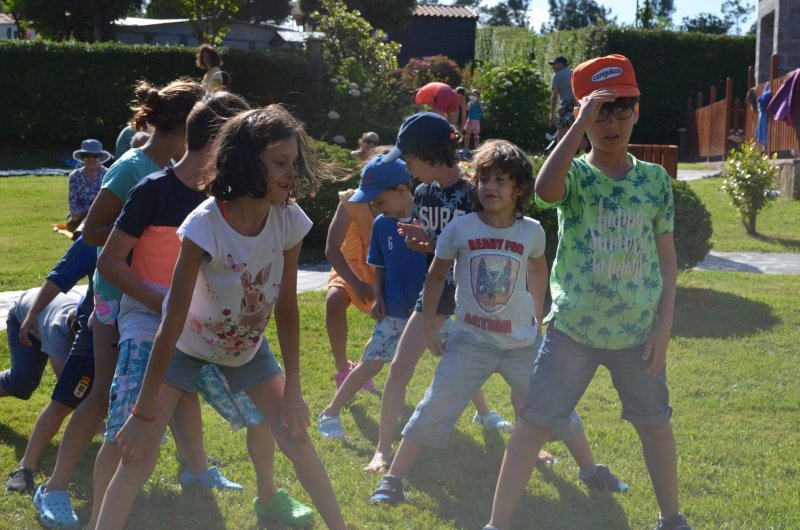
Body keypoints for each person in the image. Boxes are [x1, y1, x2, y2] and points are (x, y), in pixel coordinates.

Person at [95, 105, 347, 530]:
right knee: (138, 455)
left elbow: (286, 306)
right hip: (185, 345)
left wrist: (294, 389)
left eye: (293, 162)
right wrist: (143, 412)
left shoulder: (288, 220)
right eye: (280, 163)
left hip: (246, 349)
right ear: (246, 163)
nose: (291, 173)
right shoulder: (203, 225)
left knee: (297, 439)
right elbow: (172, 318)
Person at [485, 54, 691, 530]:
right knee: (533, 425)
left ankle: (671, 518)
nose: (611, 122)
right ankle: (496, 524)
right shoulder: (575, 175)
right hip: (572, 333)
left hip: (638, 335)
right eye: (600, 111)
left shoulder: (654, 180)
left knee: (655, 424)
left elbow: (667, 258)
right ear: (582, 116)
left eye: (621, 109)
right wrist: (578, 124)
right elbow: (545, 190)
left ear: (637, 111)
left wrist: (664, 325)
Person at [370, 139, 626, 505]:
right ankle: (393, 479)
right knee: (433, 406)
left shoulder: (531, 231)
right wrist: (427, 326)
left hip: (521, 344)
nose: (490, 187)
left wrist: (537, 314)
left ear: (519, 188)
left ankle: (591, 470)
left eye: (501, 180)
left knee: (556, 404)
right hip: (470, 343)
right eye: (485, 179)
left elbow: (537, 268)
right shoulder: (460, 229)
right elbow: (437, 275)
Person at [34, 79, 204, 530]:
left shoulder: (173, 169)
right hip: (115, 298)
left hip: (150, 299)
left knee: (174, 389)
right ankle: (54, 489)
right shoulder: (132, 167)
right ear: (184, 128)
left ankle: (197, 470)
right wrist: (142, 228)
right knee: (102, 395)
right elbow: (90, 232)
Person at [364, 112, 516, 475]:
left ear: (430, 154)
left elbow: (489, 248)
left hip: (476, 296)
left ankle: (531, 445)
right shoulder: (422, 193)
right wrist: (424, 243)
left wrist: (434, 244)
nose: (407, 168)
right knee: (399, 368)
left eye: (410, 159)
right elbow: (436, 249)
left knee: (516, 371)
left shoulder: (475, 194)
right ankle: (382, 450)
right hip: (435, 292)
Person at [318, 155, 426, 439]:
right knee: (373, 359)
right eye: (373, 202)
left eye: (379, 201)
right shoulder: (380, 222)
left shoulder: (426, 215)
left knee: (455, 353)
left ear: (401, 190)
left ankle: (485, 412)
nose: (375, 208)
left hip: (425, 307)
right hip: (379, 292)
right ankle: (332, 406)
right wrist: (375, 293)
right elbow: (374, 264)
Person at [5, 237, 96, 495]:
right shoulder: (59, 330)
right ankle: (25, 467)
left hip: (75, 322)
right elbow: (64, 386)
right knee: (23, 383)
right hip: (25, 318)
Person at [325, 163, 381, 393]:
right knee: (334, 300)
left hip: (382, 269)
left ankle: (361, 371)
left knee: (391, 319)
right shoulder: (351, 200)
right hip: (351, 265)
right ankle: (342, 370)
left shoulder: (401, 203)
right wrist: (356, 284)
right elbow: (332, 248)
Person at [67, 139, 111, 232]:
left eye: (95, 156)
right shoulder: (74, 176)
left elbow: (109, 201)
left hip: (101, 216)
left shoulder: (109, 175)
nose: (91, 159)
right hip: (79, 216)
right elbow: (73, 202)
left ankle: (82, 230)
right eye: (87, 155)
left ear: (100, 158)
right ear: (82, 158)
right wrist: (76, 214)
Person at [549, 56, 577, 143]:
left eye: (554, 64)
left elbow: (555, 96)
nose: (553, 67)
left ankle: (560, 149)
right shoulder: (574, 72)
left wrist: (552, 113)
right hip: (578, 104)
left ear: (560, 64)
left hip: (566, 104)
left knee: (561, 128)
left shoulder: (557, 76)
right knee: (576, 128)